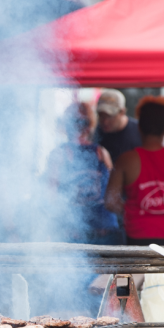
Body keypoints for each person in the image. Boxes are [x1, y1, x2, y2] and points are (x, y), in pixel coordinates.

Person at [105, 96, 164, 246]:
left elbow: (110, 201)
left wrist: (130, 211)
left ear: (140, 127)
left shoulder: (126, 160)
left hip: (138, 235)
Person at [46, 102, 122, 245]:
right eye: (76, 122)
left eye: (84, 122)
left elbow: (51, 195)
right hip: (79, 232)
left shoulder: (101, 152)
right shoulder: (61, 154)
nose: (80, 127)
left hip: (99, 231)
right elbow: (52, 195)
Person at [95, 89, 141, 162]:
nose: (105, 122)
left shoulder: (140, 131)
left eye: (110, 116)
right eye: (101, 116)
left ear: (122, 112)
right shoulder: (96, 133)